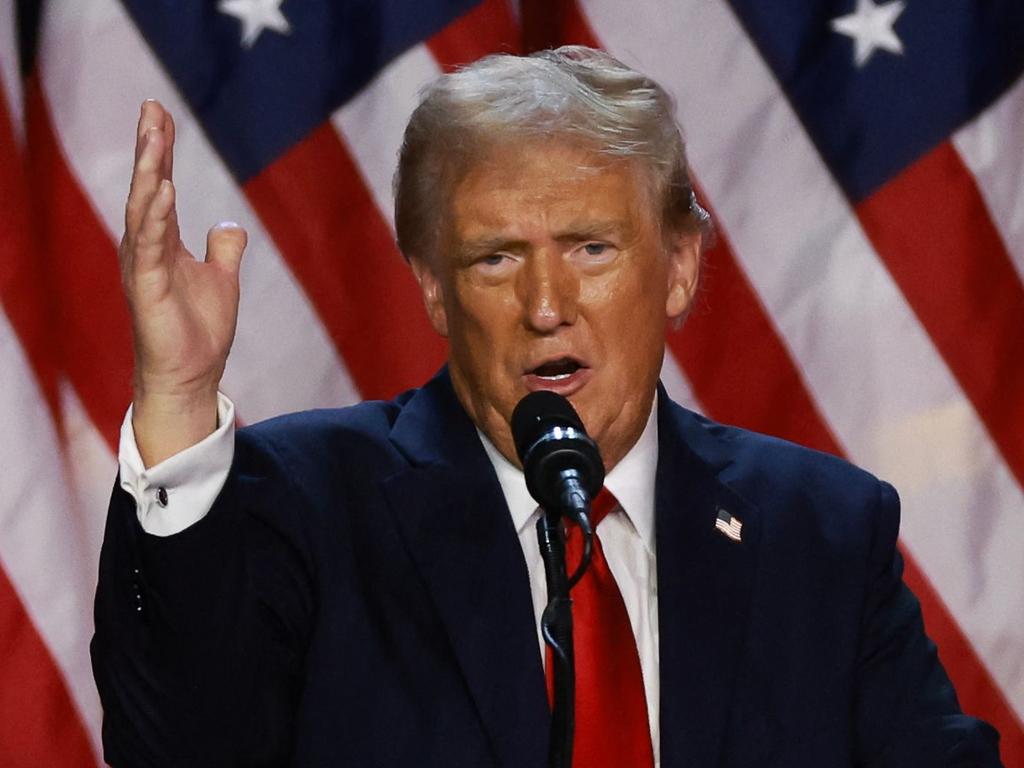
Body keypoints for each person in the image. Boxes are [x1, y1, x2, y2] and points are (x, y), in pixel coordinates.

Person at [92, 47, 1002, 767]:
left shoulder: (821, 532)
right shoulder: (307, 503)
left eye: (592, 248)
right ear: (434, 290)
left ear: (681, 266)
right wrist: (176, 398)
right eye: (494, 257)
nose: (544, 303)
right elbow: (179, 748)